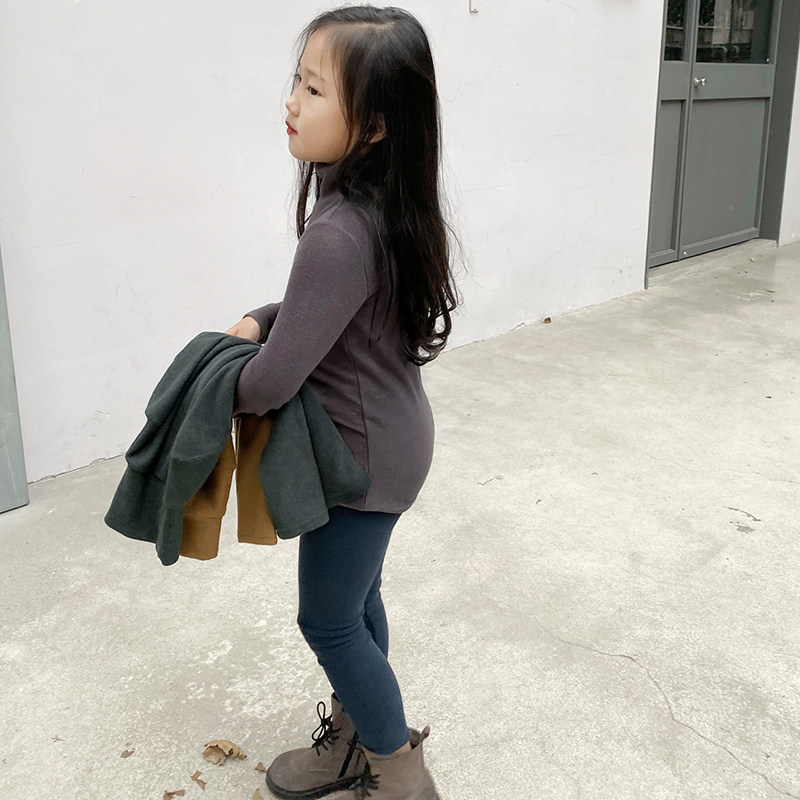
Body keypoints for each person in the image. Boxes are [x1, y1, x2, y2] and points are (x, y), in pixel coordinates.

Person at [225, 6, 457, 799]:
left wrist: (218, 372)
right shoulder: (380, 203)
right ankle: (360, 742)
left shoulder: (339, 229)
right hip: (392, 440)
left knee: (326, 620)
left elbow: (270, 384)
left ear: (376, 126)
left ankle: (400, 775)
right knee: (358, 603)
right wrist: (264, 317)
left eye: (315, 89)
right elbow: (328, 309)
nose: (291, 101)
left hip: (360, 463)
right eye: (297, 81)